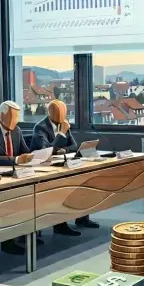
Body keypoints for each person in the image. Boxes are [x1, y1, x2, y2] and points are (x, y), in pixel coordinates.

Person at [33, 99, 97, 235]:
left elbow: (73, 145)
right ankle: (60, 225)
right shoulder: (40, 128)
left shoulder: (64, 124)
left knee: (83, 181)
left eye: (64, 112)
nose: (62, 115)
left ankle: (82, 217)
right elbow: (46, 150)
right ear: (50, 112)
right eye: (59, 112)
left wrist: (65, 150)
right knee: (61, 188)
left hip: (62, 163)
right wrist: (61, 133)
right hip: (43, 168)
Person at [0, 100, 33, 167]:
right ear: (2, 116)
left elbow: (25, 152)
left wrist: (32, 155)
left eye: (17, 117)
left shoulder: (17, 130)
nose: (15, 121)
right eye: (12, 117)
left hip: (16, 169)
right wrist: (16, 160)